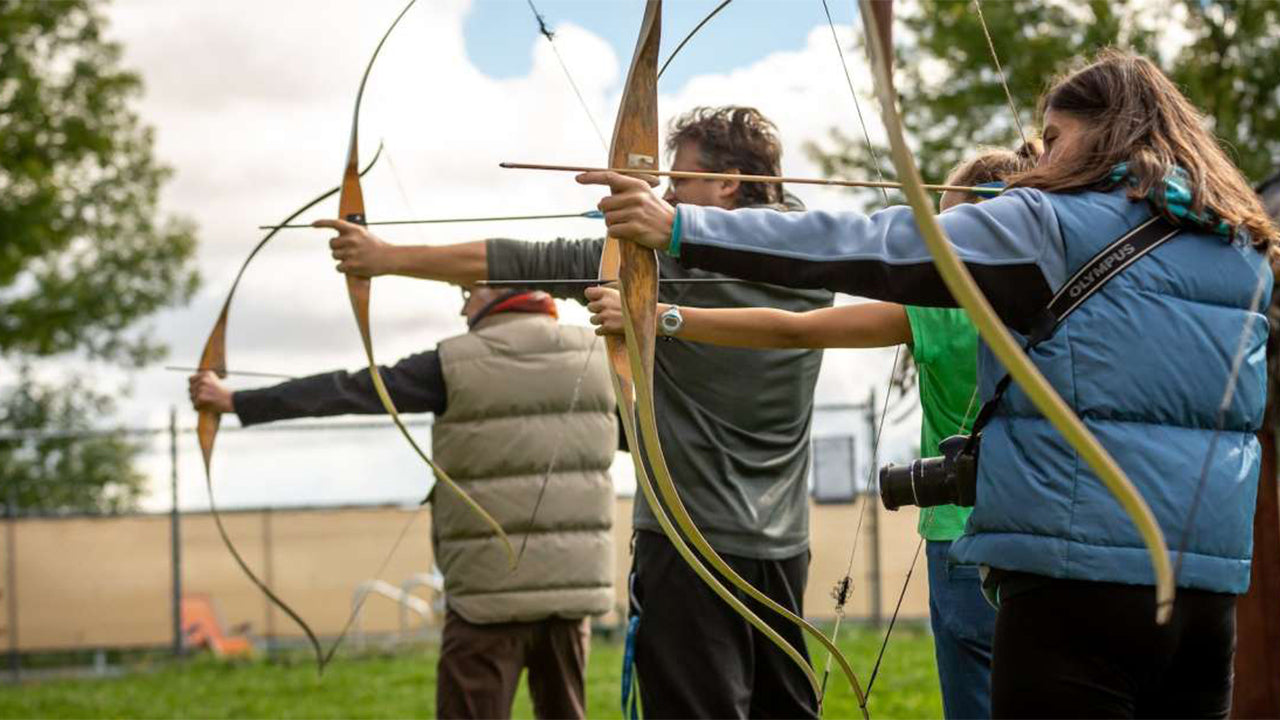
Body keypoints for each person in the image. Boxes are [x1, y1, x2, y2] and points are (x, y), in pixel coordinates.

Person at [581, 50, 1277, 718]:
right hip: (1204, 598)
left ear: (1104, 136)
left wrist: (679, 226)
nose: (1040, 159)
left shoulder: (1050, 224)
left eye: (1055, 137)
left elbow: (874, 244)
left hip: (1073, 587)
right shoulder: (1241, 247)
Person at [320, 106, 835, 718]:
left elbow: (523, 261)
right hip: (783, 546)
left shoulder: (665, 265)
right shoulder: (815, 257)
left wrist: (387, 257)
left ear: (728, 182)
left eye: (681, 181)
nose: (668, 195)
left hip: (687, 544)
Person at [587, 145, 1037, 719]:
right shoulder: (1075, 295)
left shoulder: (940, 304)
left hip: (961, 536)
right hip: (1054, 533)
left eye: (953, 226)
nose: (943, 249)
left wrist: (664, 317)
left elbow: (794, 330)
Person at [189, 286, 616, 720]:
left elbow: (348, 390)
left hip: (486, 599)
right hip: (571, 598)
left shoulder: (453, 362)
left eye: (468, 291)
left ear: (495, 291)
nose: (463, 305)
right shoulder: (598, 357)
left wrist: (234, 400)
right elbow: (645, 441)